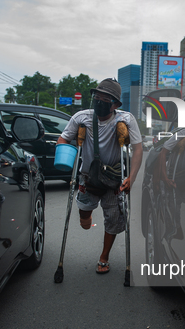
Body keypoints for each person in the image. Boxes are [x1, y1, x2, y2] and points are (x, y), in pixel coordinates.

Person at [57, 78, 143, 274]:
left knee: (113, 219)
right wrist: (64, 152)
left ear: (115, 104)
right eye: (97, 97)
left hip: (113, 178)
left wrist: (132, 177)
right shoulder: (81, 117)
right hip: (88, 177)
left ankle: (104, 257)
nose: (99, 101)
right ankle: (85, 215)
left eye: (105, 99)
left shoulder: (126, 119)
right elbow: (63, 138)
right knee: (85, 217)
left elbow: (138, 149)